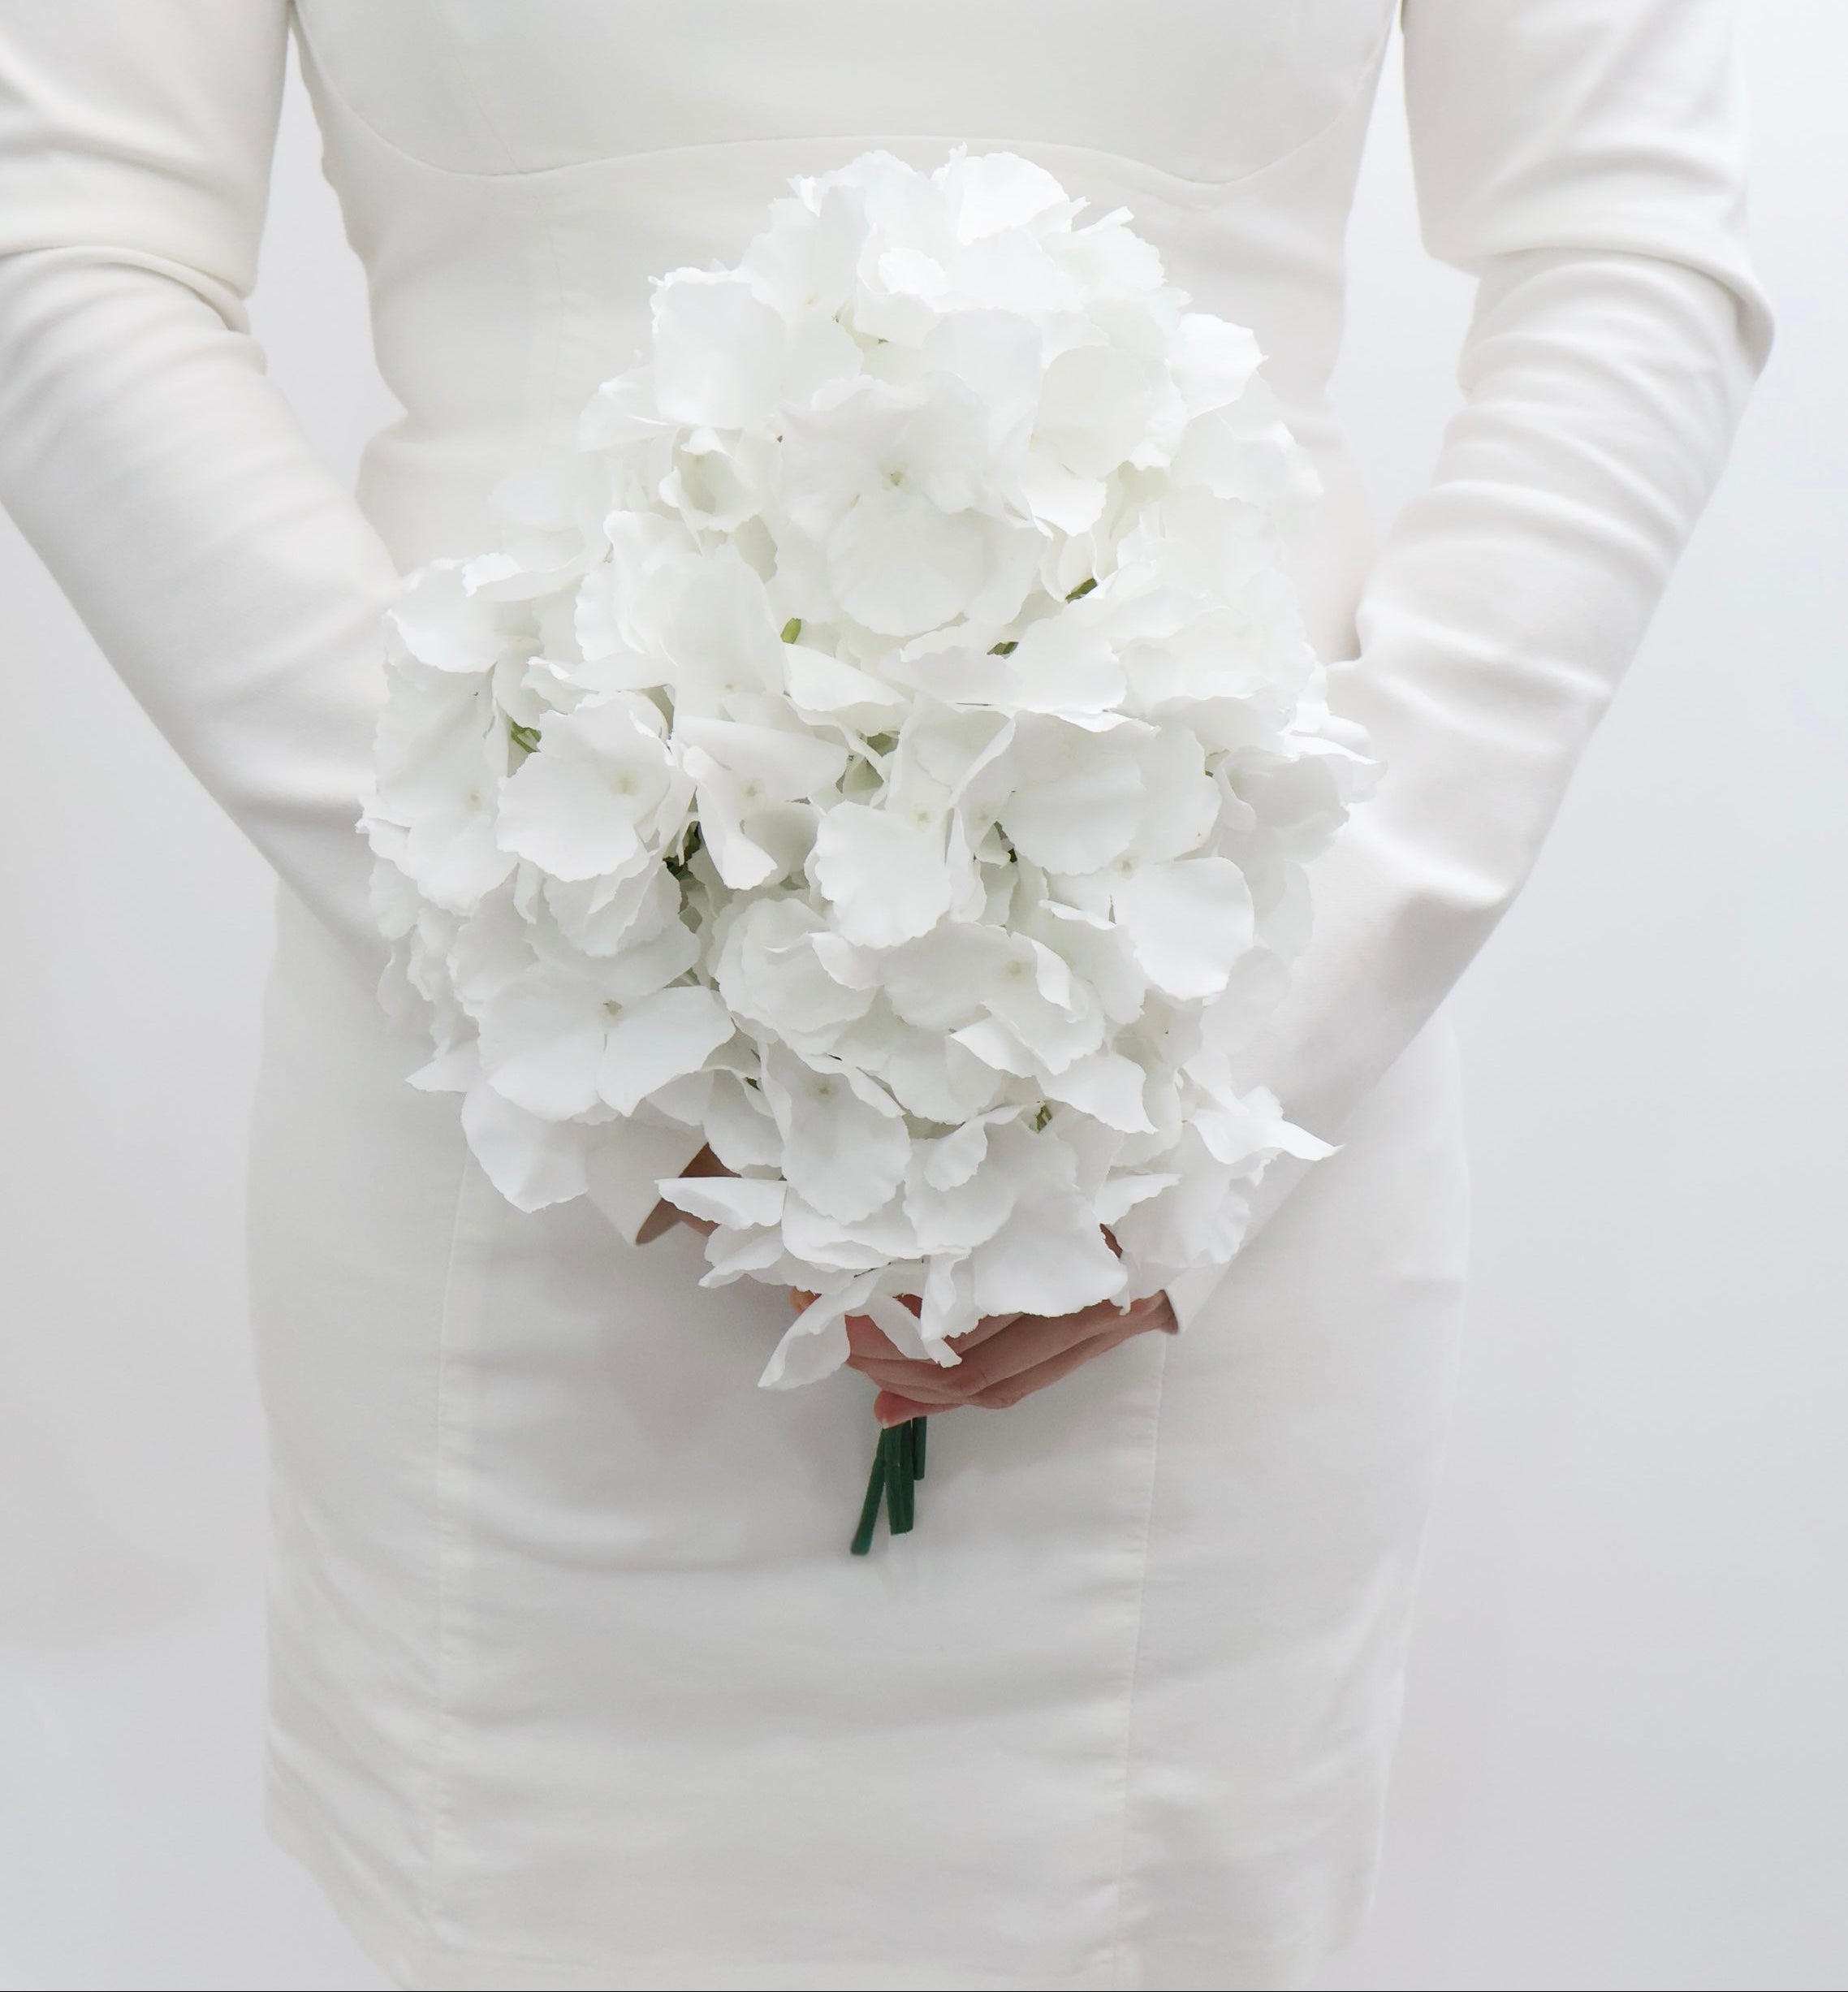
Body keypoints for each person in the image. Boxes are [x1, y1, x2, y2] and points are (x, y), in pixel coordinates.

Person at [0, 5, 1768, 1986]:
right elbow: (66, 238)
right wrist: (520, 946)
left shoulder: (1226, 1069)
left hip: (1207, 1084)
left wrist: (1241, 1054)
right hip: (506, 1138)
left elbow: (1630, 249)